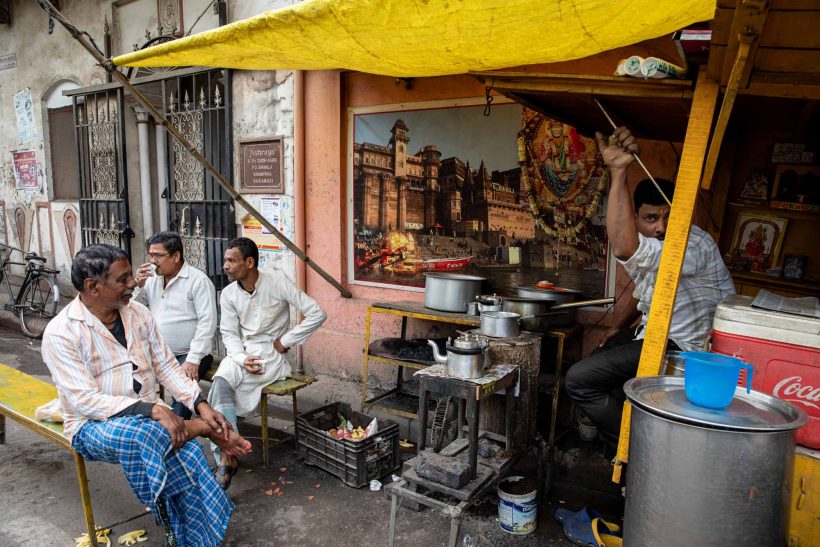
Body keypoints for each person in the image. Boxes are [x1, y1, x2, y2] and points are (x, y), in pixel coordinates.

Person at [41, 244, 251, 546]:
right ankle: (205, 431)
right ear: (92, 286)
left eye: (131, 277)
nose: (133, 285)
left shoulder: (137, 314)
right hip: (92, 426)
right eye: (123, 279)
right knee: (146, 435)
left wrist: (200, 404)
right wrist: (151, 409)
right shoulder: (61, 333)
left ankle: (196, 536)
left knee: (185, 451)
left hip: (151, 422)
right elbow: (84, 400)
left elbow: (167, 367)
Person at [564, 127, 735, 448]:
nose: (662, 227)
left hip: (688, 350)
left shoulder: (692, 243)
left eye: (670, 216)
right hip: (656, 334)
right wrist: (617, 326)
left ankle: (637, 443)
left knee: (579, 380)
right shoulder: (650, 244)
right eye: (652, 218)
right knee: (603, 356)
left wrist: (618, 170)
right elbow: (645, 290)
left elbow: (625, 249)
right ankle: (617, 439)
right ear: (637, 219)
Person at [208, 237, 327, 488]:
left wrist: (287, 340)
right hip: (240, 353)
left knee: (230, 386)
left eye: (231, 260)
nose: (225, 266)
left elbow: (317, 313)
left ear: (249, 262)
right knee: (220, 384)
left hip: (270, 356)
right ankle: (228, 452)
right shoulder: (228, 294)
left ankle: (226, 457)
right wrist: (241, 358)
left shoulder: (276, 283)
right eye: (225, 260)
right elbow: (229, 333)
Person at [134, 231, 217, 419]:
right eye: (150, 255)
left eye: (158, 255)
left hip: (188, 353)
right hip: (156, 351)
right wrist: (137, 285)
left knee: (182, 394)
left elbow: (207, 323)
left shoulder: (198, 281)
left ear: (176, 256)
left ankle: (177, 431)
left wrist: (193, 359)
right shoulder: (152, 279)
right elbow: (134, 308)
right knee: (132, 384)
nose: (153, 261)